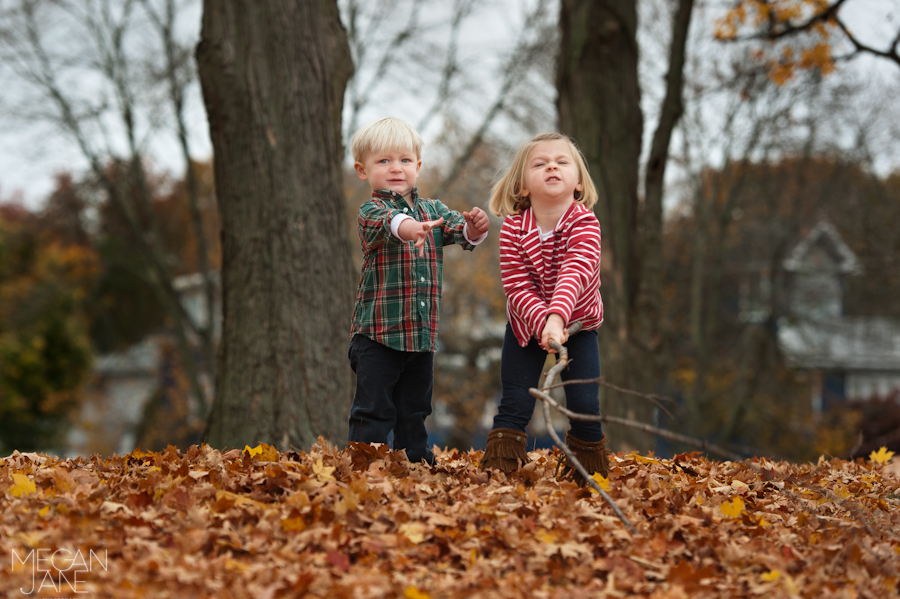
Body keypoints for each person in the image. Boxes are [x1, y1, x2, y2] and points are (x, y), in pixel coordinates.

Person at [347, 117, 490, 465]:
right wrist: (410, 228)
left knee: (415, 408)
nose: (396, 168)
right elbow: (390, 224)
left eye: (405, 160)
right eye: (384, 161)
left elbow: (456, 230)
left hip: (420, 336)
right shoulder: (372, 210)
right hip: (378, 336)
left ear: (418, 166)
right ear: (362, 170)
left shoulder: (434, 209)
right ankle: (366, 464)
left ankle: (415, 462)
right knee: (374, 408)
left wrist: (473, 228)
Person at [481, 132, 609, 484]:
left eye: (561, 161)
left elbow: (576, 272)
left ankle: (587, 477)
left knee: (584, 404)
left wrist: (558, 319)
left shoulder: (585, 223)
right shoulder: (513, 228)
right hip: (525, 325)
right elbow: (516, 285)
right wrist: (543, 323)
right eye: (540, 163)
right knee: (515, 402)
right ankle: (500, 475)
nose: (552, 165)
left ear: (578, 182)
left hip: (578, 326)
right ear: (523, 186)